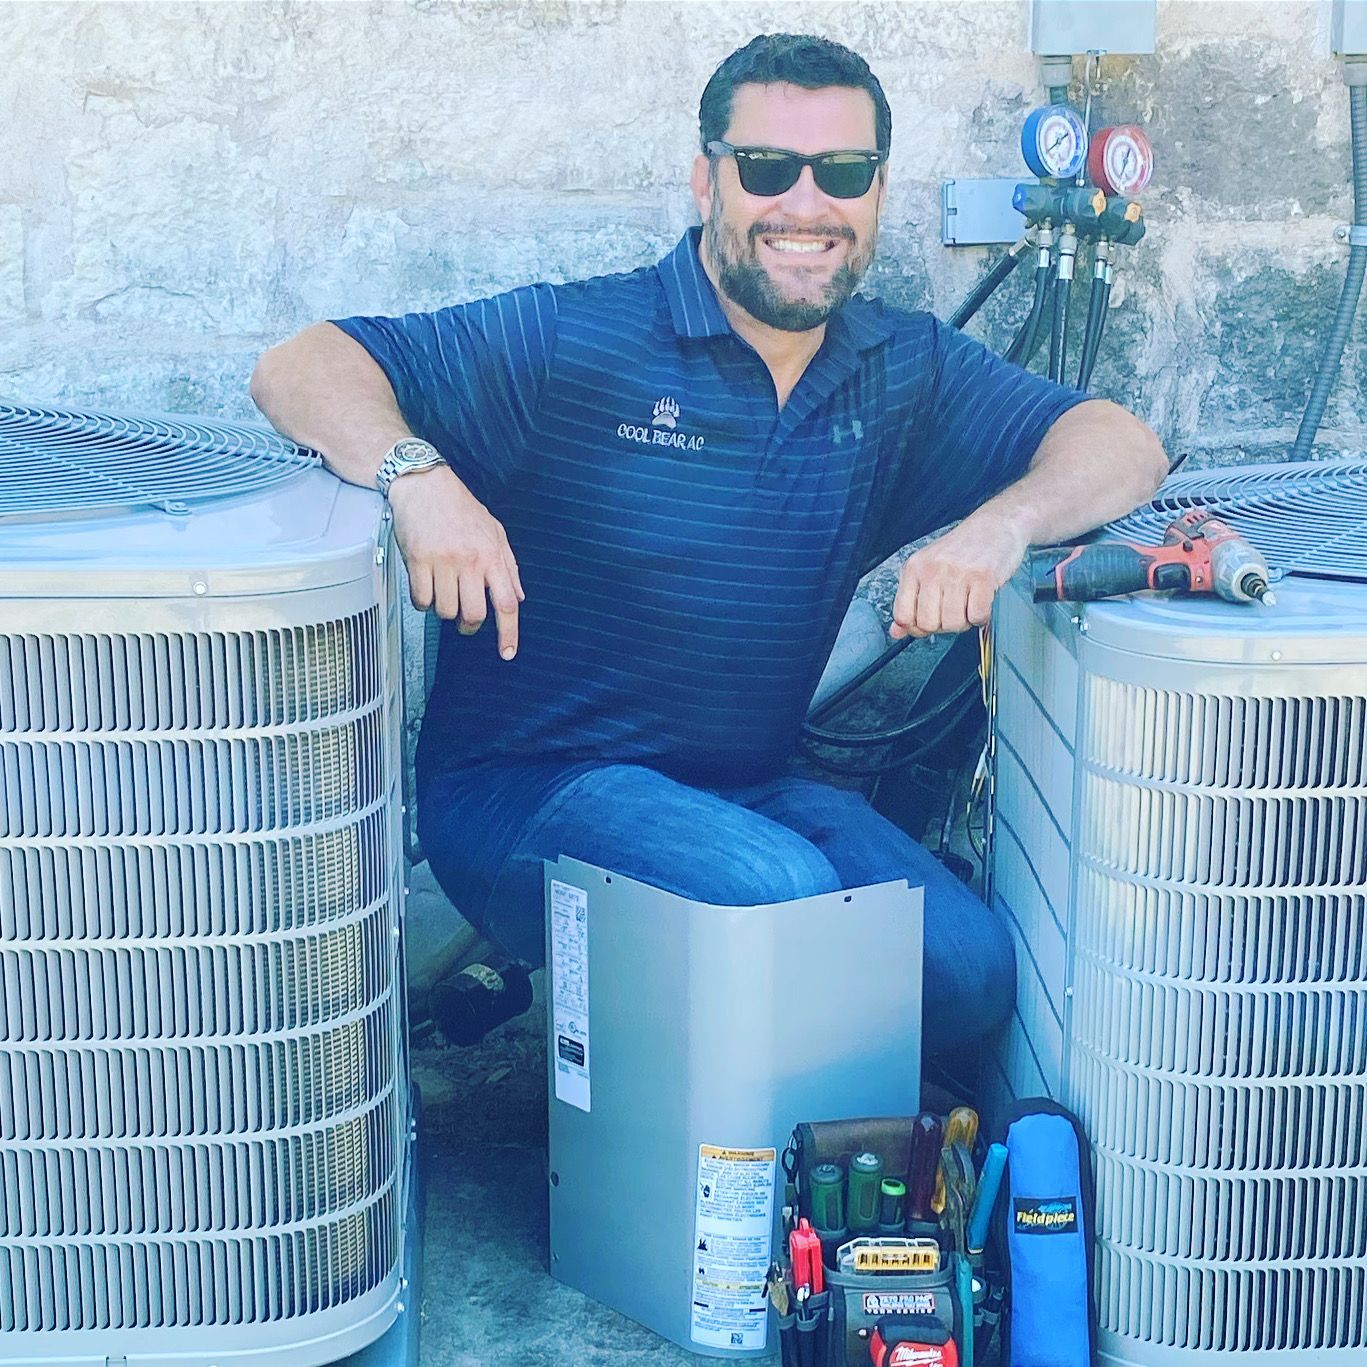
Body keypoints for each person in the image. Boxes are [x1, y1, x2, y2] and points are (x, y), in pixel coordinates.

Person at [251, 33, 1167, 1060]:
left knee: (964, 970)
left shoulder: (900, 366)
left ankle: (739, 1082)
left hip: (742, 784)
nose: (805, 205)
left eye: (844, 172)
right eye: (767, 169)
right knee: (773, 895)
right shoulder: (578, 341)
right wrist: (417, 478)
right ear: (706, 180)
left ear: (874, 191)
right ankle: (654, 1115)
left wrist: (997, 525)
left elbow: (1121, 446)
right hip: (526, 790)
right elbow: (303, 364)